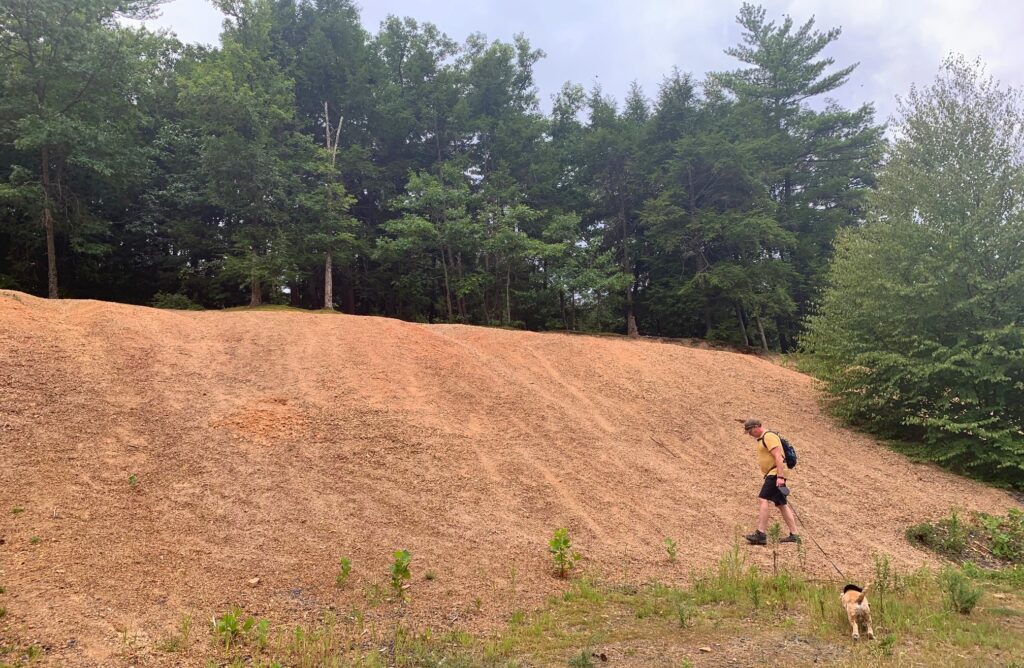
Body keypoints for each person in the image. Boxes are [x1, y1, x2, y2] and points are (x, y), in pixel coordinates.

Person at [742, 418, 800, 545]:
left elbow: (778, 457)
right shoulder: (764, 437)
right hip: (774, 473)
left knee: (763, 499)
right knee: (781, 504)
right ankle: (794, 535)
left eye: (750, 431)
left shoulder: (768, 437)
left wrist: (779, 477)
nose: (750, 435)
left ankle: (761, 534)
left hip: (775, 473)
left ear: (757, 427)